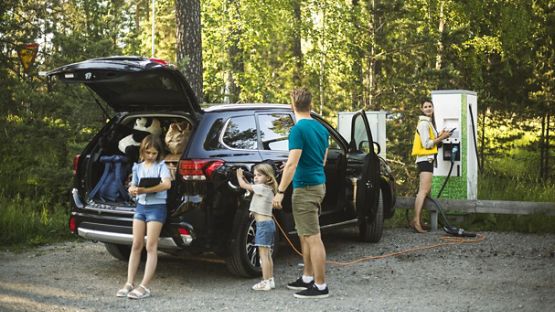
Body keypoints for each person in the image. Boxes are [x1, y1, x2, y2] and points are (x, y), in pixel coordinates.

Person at [273, 87, 330, 299]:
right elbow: (322, 160)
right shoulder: (321, 128)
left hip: (304, 188)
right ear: (310, 105)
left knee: (313, 237)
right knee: (305, 235)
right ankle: (307, 277)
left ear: (292, 106)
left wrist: (280, 191)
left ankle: (321, 285)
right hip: (318, 184)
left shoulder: (297, 130)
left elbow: (292, 164)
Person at [116, 134, 171, 299]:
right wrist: (132, 189)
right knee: (136, 245)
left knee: (151, 247)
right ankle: (129, 283)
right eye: (148, 153)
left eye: (154, 153)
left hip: (157, 208)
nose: (151, 156)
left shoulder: (162, 166)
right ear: (143, 151)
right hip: (140, 207)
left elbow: (167, 184)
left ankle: (144, 286)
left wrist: (144, 190)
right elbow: (133, 185)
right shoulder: (137, 167)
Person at [411, 99, 452, 233]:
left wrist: (440, 135)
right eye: (425, 106)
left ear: (433, 108)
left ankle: (418, 220)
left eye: (430, 106)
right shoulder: (423, 123)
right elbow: (427, 144)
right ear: (422, 109)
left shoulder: (429, 123)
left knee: (424, 191)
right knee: (423, 191)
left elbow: (432, 141)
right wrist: (442, 137)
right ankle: (416, 221)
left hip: (428, 159)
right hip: (425, 160)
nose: (428, 108)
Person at [236, 163, 278, 291]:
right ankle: (270, 280)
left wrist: (239, 175)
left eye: (259, 175)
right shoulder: (267, 188)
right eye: (254, 175)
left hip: (263, 226)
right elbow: (258, 202)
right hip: (268, 224)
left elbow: (244, 186)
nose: (255, 177)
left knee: (263, 255)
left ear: (268, 177)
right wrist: (253, 211)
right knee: (267, 254)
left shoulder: (262, 187)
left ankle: (265, 281)